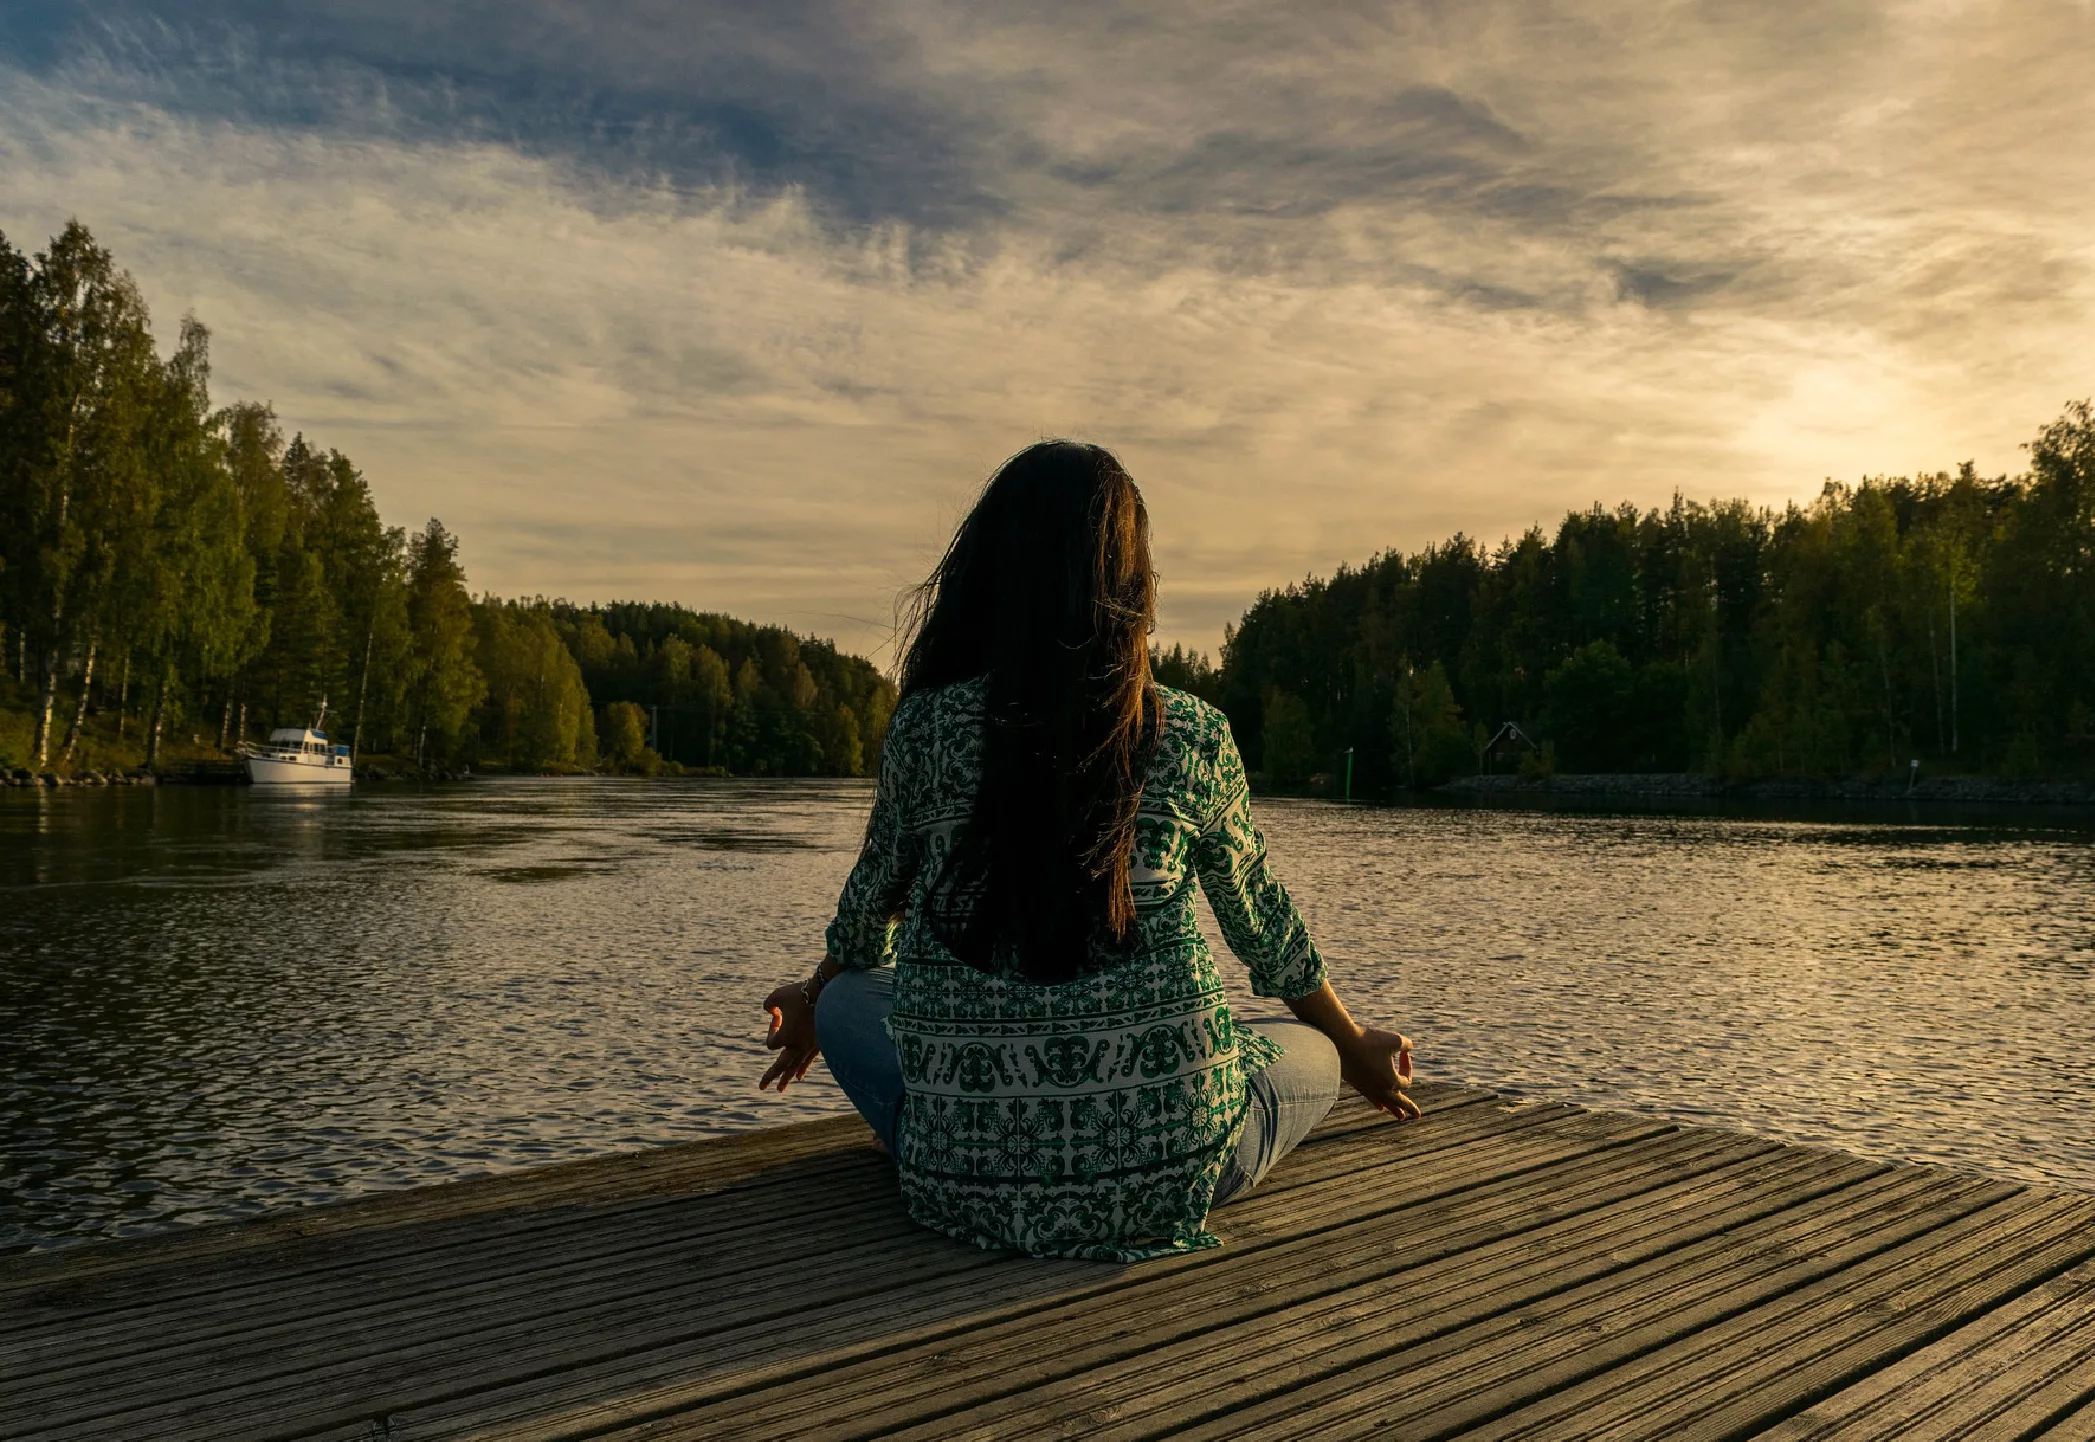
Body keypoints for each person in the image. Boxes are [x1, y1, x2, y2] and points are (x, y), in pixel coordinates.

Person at [758, 440, 1416, 1262]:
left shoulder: (926, 728)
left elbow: (867, 915)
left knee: (855, 996)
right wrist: (1356, 1049)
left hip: (961, 1183)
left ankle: (959, 1134)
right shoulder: (1193, 733)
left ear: (990, 572)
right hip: (1174, 1171)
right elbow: (1264, 930)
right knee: (1310, 1048)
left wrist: (816, 1000)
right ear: (1132, 584)